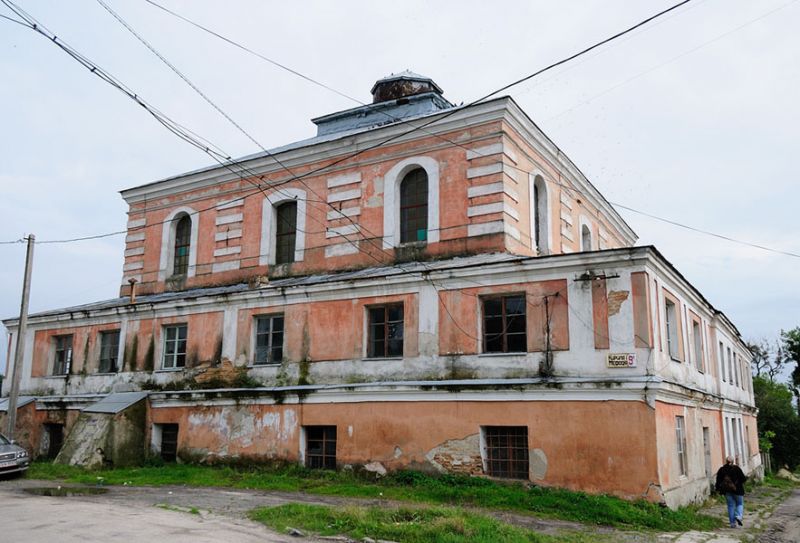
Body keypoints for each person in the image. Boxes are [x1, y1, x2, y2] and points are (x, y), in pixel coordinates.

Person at [715, 456, 747, 528]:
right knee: (739, 504)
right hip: (738, 490)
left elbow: (718, 481)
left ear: (726, 461)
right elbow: (743, 479)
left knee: (730, 506)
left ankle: (732, 524)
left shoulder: (722, 469)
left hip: (727, 491)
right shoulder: (737, 469)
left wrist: (717, 489)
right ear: (733, 461)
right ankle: (738, 516)